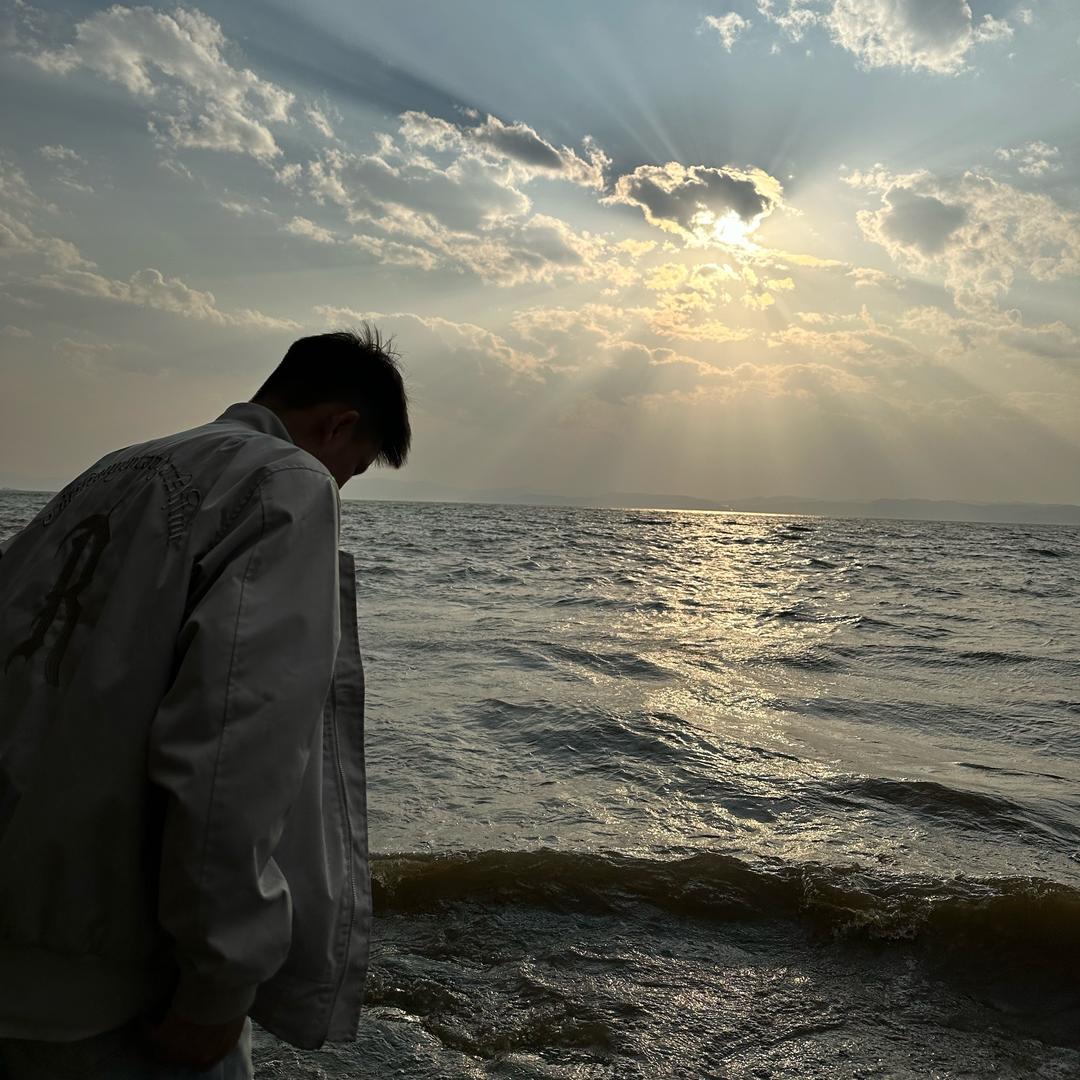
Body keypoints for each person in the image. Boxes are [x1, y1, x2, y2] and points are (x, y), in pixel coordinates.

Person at [0, 326, 410, 1078]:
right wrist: (221, 979)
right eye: (349, 472)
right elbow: (231, 744)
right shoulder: (287, 482)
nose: (339, 487)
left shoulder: (110, 473)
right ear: (339, 425)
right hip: (118, 988)